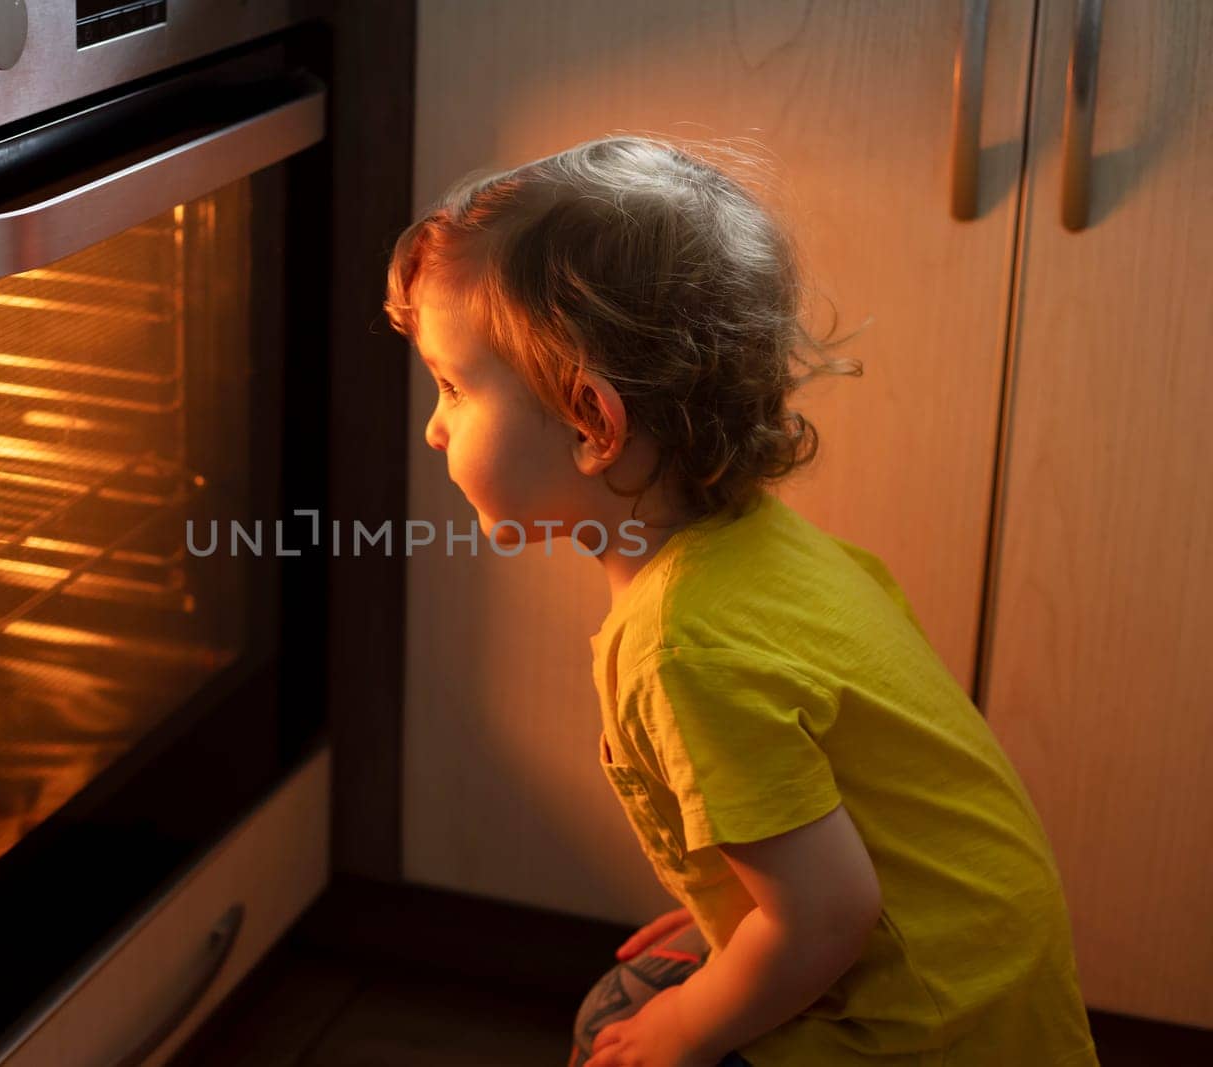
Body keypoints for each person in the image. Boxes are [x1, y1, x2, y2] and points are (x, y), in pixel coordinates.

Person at [382, 135, 1099, 1067]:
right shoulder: (772, 552)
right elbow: (850, 818)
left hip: (916, 1031)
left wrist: (681, 1027)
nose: (434, 427)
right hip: (982, 982)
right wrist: (729, 909)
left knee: (616, 1029)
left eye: (452, 387)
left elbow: (831, 916)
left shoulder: (688, 648)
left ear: (593, 422)